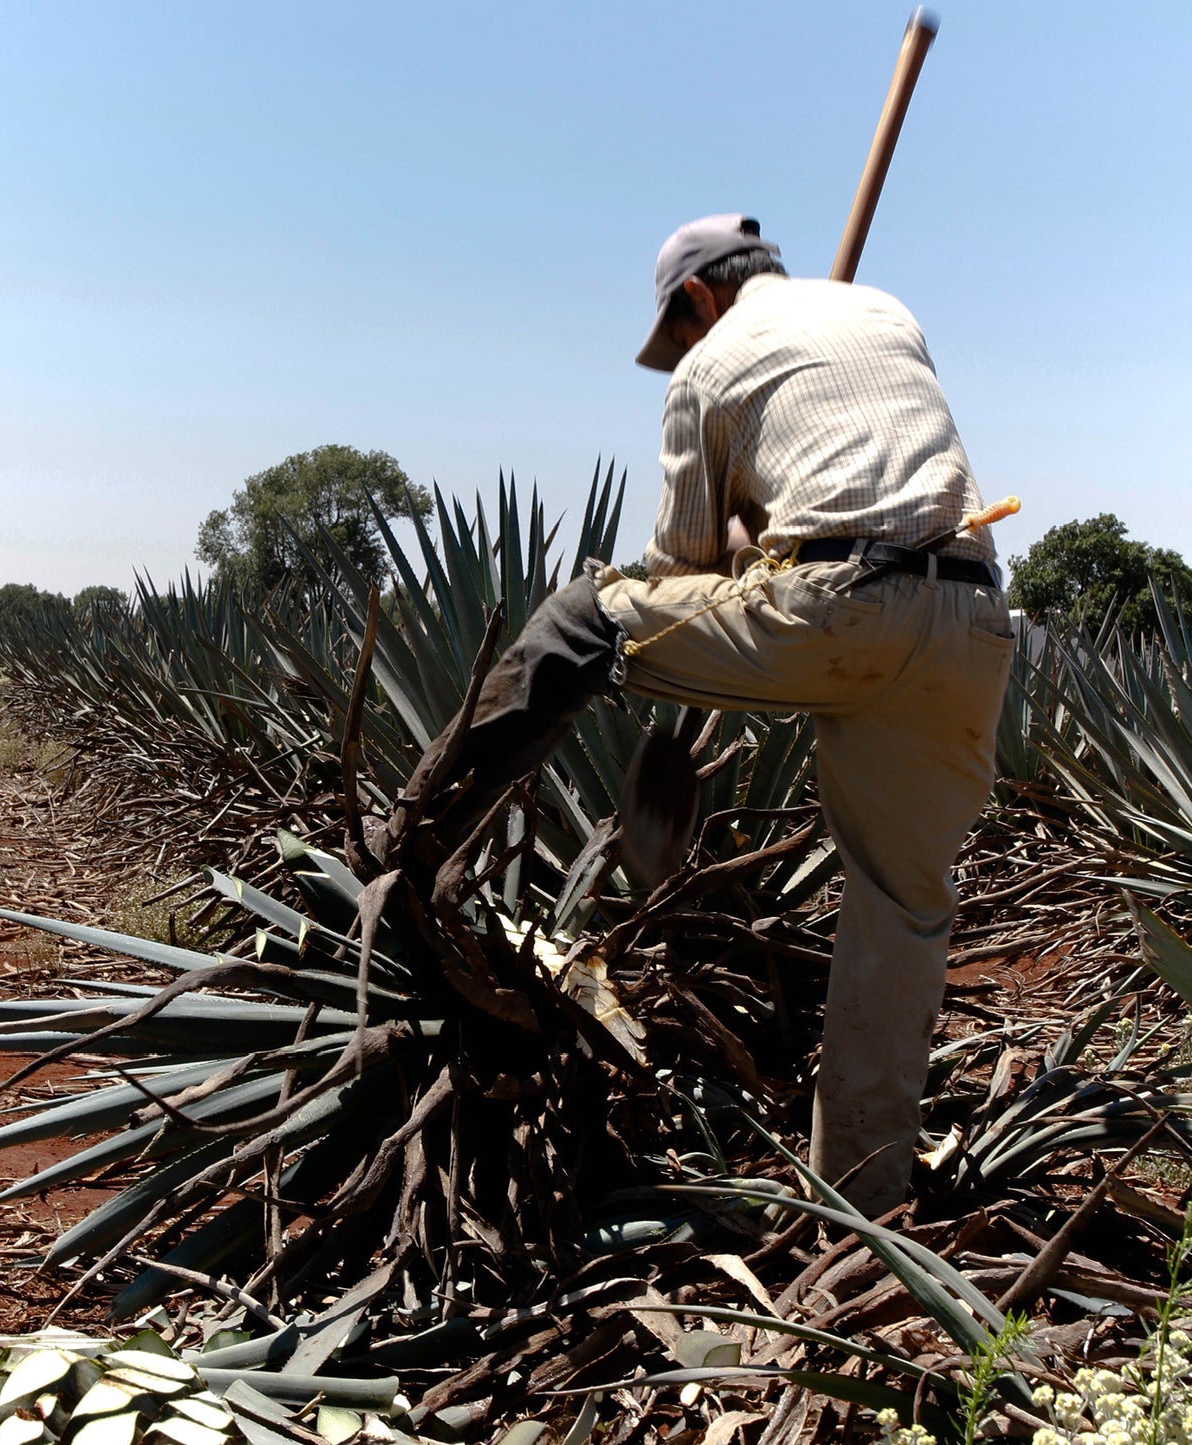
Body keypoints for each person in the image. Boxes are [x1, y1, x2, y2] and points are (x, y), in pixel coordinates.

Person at [394, 214, 1014, 1215]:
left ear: (694, 300)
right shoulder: (881, 311)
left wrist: (744, 533)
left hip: (839, 609)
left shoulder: (706, 367)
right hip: (970, 617)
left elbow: (681, 571)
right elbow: (864, 453)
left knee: (586, 618)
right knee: (898, 909)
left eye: (675, 330)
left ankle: (415, 842)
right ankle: (866, 1203)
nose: (677, 351)